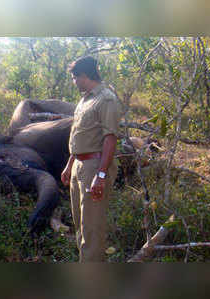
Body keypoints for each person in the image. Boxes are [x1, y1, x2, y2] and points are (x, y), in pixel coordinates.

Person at [61, 56, 122, 262]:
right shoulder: (85, 99)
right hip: (79, 165)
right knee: (80, 224)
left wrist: (101, 175)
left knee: (92, 228)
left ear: (84, 76)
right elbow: (80, 136)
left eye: (74, 78)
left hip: (94, 168)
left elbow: (110, 138)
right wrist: (69, 165)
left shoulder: (106, 99)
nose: (74, 82)